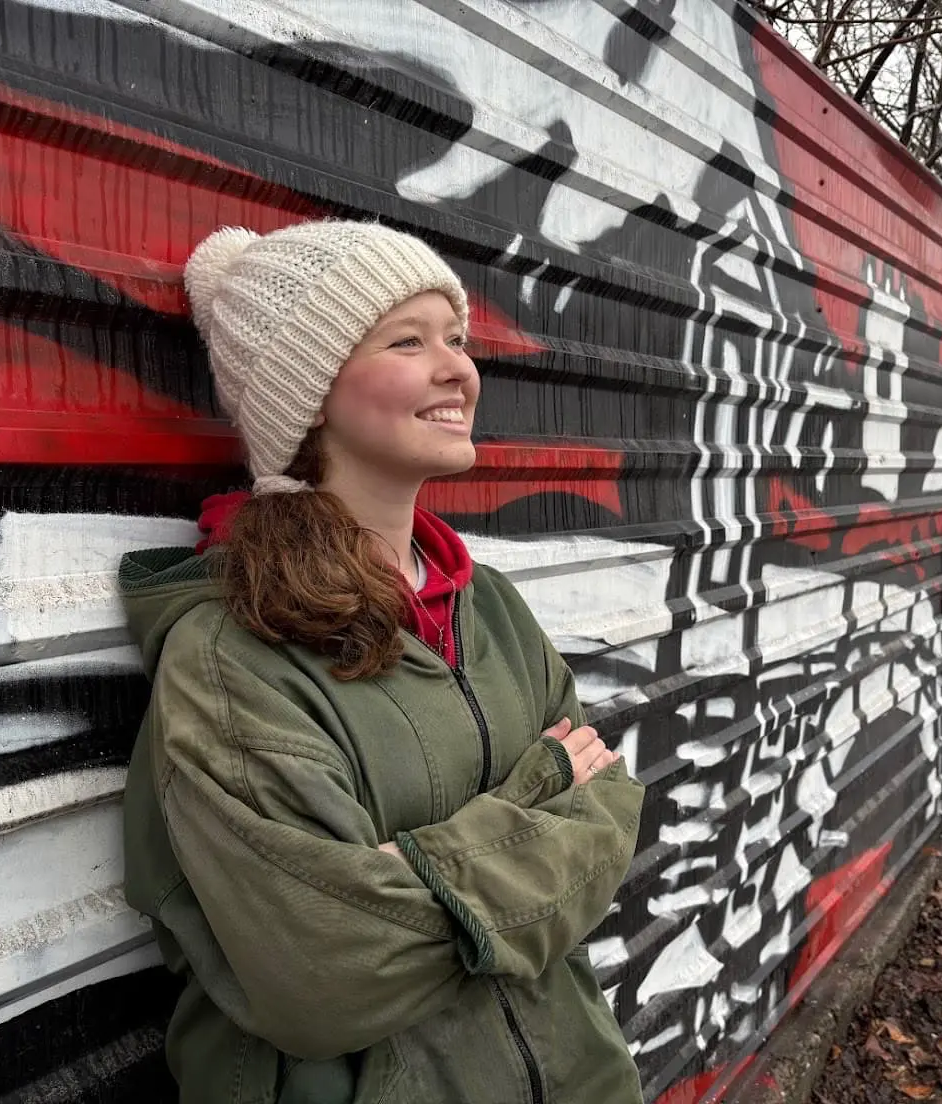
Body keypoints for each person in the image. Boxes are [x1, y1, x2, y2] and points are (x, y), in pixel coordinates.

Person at [119, 221, 646, 1104]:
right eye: (409, 341)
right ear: (311, 394)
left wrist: (414, 872)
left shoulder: (489, 608)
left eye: (457, 338)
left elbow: (611, 815)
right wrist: (537, 792)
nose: (458, 369)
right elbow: (324, 973)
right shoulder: (231, 657)